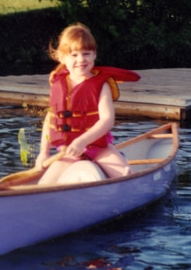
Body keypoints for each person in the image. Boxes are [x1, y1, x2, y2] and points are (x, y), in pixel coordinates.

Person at [34, 23, 140, 185]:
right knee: (43, 186)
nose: (81, 60)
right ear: (62, 57)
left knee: (126, 179)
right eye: (74, 55)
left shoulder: (101, 85)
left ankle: (120, 165)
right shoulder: (57, 82)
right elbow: (51, 118)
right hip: (67, 151)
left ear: (94, 55)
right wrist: (44, 153)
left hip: (98, 148)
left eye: (86, 54)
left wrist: (82, 141)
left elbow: (107, 120)